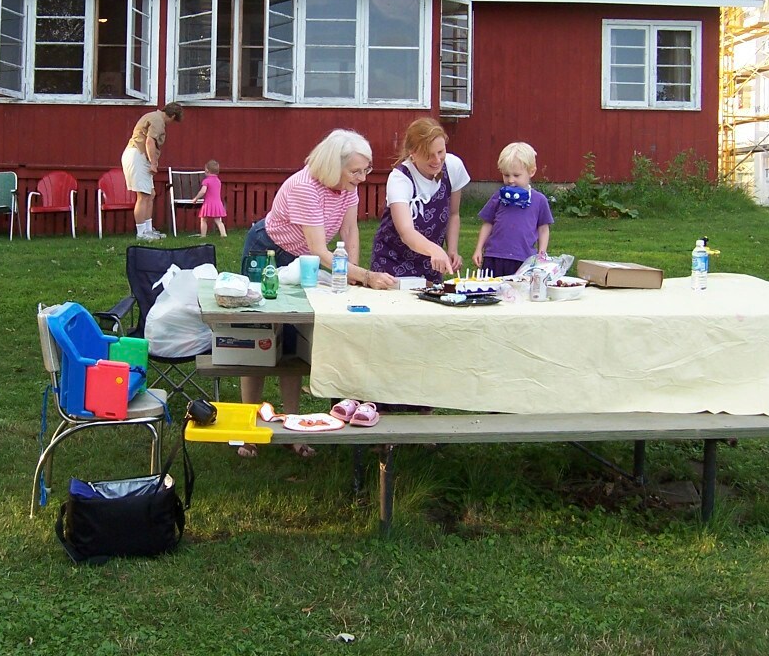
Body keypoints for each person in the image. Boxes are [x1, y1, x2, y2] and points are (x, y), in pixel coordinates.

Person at [236, 129, 396, 459]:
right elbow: (320, 251)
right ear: (332, 165)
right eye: (356, 171)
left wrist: (350, 276)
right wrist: (363, 276)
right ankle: (247, 429)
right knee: (258, 340)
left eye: (365, 170)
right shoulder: (305, 187)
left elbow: (351, 232)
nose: (362, 178)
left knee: (295, 341)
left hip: (304, 260)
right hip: (269, 254)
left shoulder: (347, 189)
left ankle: (294, 426)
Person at [369, 118, 470, 285]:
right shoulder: (400, 178)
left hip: (430, 263)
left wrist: (452, 250)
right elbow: (406, 232)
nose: (437, 160)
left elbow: (453, 214)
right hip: (392, 261)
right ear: (412, 153)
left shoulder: (454, 167)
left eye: (440, 152)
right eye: (429, 155)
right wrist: (435, 250)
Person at [472, 142, 554, 277]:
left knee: (519, 293)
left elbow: (543, 228)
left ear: (531, 171)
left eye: (516, 175)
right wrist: (479, 248)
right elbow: (488, 223)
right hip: (494, 256)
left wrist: (542, 252)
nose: (510, 180)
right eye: (506, 175)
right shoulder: (498, 196)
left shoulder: (539, 200)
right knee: (491, 291)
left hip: (523, 258)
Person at [121, 102, 183, 241]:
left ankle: (148, 230)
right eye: (173, 121)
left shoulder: (152, 116)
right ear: (172, 115)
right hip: (138, 155)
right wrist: (154, 163)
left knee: (150, 194)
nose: (171, 124)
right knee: (143, 195)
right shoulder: (158, 121)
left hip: (140, 156)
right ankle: (141, 233)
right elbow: (149, 142)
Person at [192, 159, 227, 238]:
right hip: (218, 203)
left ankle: (203, 235)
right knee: (218, 220)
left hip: (208, 203)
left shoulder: (206, 181)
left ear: (207, 171)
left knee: (203, 219)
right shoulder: (218, 181)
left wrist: (196, 198)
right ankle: (223, 234)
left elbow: (203, 191)